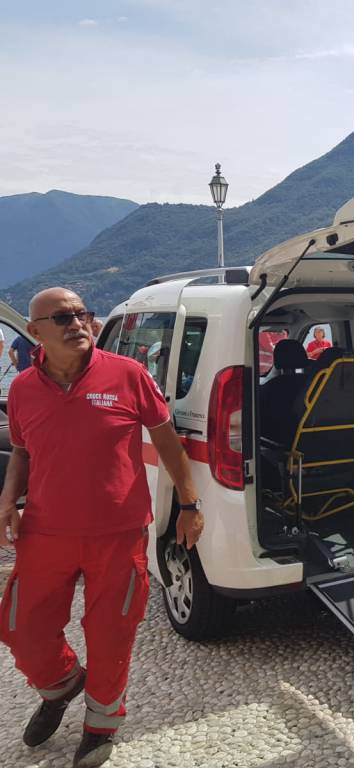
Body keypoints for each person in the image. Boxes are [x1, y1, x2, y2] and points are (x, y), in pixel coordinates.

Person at [0, 287, 203, 767]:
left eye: (82, 314)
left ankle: (101, 723)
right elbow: (24, 451)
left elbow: (168, 442)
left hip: (118, 532)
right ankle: (63, 683)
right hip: (46, 531)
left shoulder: (128, 374)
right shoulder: (23, 388)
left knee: (112, 632)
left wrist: (190, 505)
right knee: (20, 626)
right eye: (62, 317)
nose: (77, 323)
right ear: (35, 333)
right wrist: (9, 499)